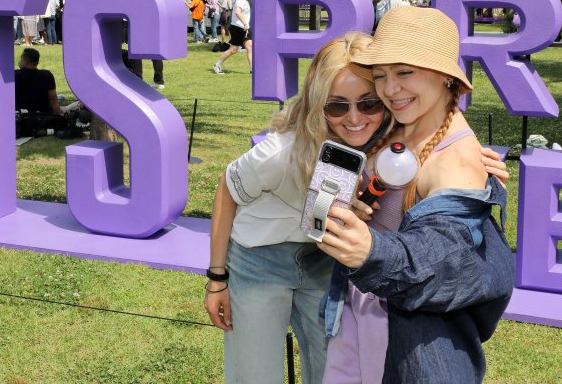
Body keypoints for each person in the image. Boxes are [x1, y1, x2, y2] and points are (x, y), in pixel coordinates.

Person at [203, 30, 509, 384]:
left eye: (368, 103)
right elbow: (226, 187)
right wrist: (216, 278)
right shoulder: (283, 150)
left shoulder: (386, 135)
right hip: (261, 258)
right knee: (254, 376)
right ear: (319, 102)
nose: (354, 118)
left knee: (328, 369)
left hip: (326, 263)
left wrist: (477, 164)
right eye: (336, 105)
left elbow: (436, 139)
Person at [317, 6, 514, 383]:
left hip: (406, 338)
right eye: (381, 75)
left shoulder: (455, 161)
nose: (390, 89)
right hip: (357, 311)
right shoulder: (401, 122)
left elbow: (442, 254)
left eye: (405, 72)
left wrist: (371, 252)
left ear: (444, 76)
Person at [213, 0, 252, 75]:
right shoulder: (241, 0)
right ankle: (217, 65)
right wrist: (245, 23)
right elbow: (237, 12)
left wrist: (246, 25)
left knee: (250, 47)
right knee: (233, 50)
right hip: (238, 28)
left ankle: (253, 69)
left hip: (244, 28)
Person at [15, 47, 61, 115]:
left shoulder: (14, 75)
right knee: (61, 97)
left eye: (21, 58)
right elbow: (53, 99)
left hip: (22, 116)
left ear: (25, 60)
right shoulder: (47, 75)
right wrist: (58, 115)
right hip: (44, 116)